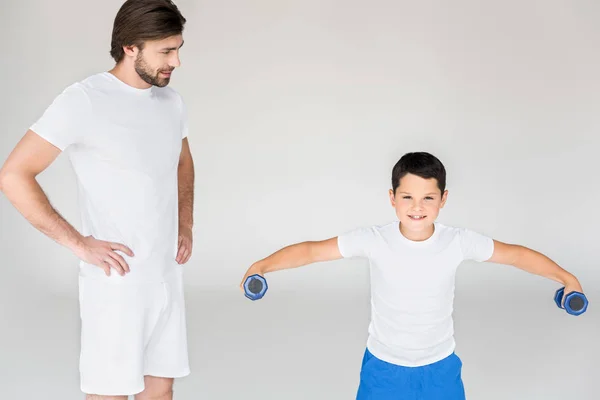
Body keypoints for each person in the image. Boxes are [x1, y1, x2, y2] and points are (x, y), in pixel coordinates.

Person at [239, 151, 585, 400]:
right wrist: (262, 266)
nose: (417, 207)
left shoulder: (457, 242)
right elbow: (312, 251)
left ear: (443, 199)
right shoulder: (374, 240)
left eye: (427, 197)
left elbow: (515, 255)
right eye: (407, 196)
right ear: (392, 198)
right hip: (384, 368)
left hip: (440, 367)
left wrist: (565, 277)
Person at [0, 1, 194, 399]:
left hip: (165, 278)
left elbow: (183, 162)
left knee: (161, 391)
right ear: (130, 48)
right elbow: (14, 175)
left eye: (178, 48)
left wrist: (185, 223)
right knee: (109, 393)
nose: (175, 61)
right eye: (166, 51)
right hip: (116, 286)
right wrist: (78, 243)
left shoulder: (170, 102)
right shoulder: (84, 100)